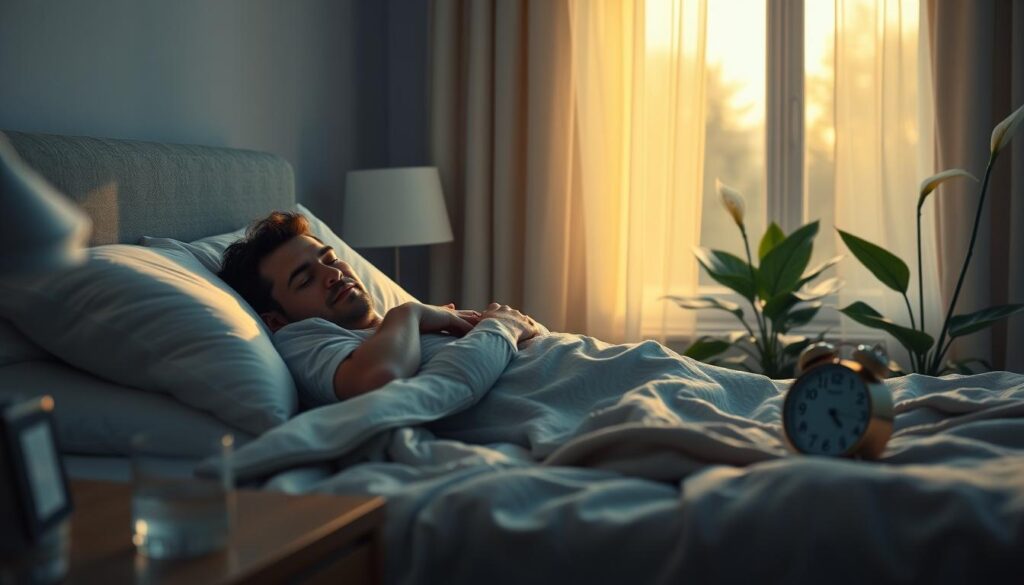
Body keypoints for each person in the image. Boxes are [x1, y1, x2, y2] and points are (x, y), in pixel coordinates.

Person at [219, 211, 546, 408]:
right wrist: (410, 313)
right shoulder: (301, 339)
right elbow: (380, 379)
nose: (333, 275)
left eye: (331, 260)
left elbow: (534, 335)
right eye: (305, 280)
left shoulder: (399, 329)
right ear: (277, 320)